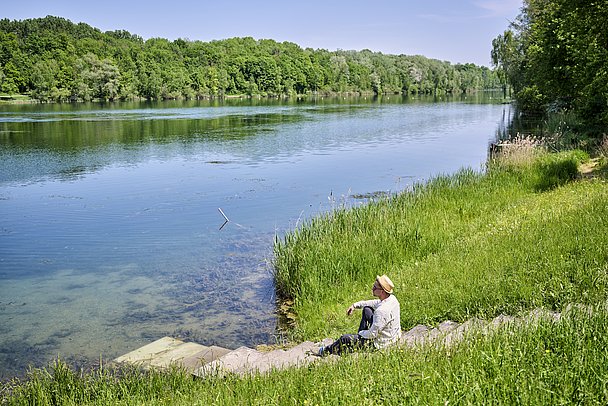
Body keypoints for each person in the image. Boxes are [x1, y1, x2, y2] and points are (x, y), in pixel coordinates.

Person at [317, 274, 401, 356]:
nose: (372, 288)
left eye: (375, 287)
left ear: (382, 291)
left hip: (381, 343)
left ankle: (326, 351)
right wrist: (355, 305)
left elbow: (373, 334)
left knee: (345, 338)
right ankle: (357, 342)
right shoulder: (392, 299)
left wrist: (361, 333)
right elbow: (374, 303)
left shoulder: (382, 311)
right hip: (391, 335)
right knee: (367, 309)